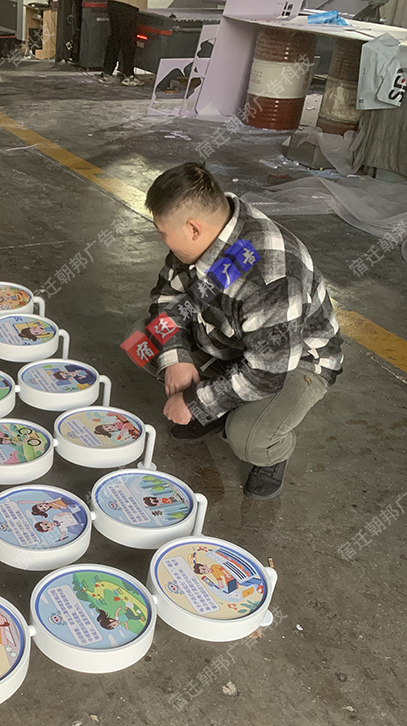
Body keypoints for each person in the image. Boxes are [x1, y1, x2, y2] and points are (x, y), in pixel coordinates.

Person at [140, 162, 343, 500]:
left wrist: (194, 401)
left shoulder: (271, 276)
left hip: (293, 361)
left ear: (193, 228)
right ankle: (218, 407)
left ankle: (272, 452)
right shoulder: (210, 232)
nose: (162, 240)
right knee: (143, 341)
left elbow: (267, 372)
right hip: (235, 339)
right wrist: (176, 358)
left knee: (249, 437)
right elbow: (167, 298)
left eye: (162, 232)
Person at [97, 0, 147, 88]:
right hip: (129, 5)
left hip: (115, 3)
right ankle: (128, 75)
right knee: (128, 39)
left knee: (115, 38)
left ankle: (107, 73)